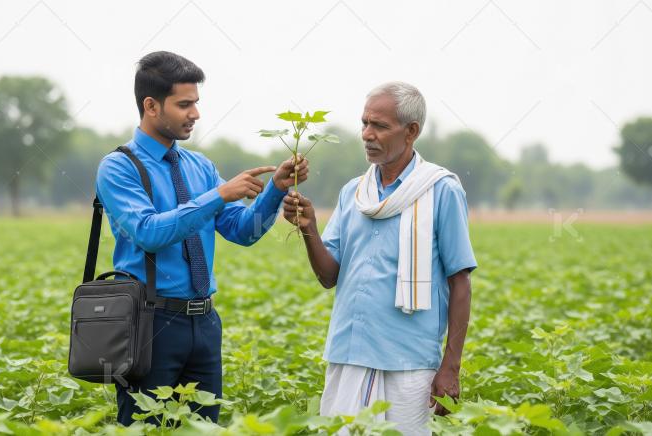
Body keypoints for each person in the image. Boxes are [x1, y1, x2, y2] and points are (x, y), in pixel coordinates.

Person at [95, 51, 308, 425]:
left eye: (196, 103)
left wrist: (274, 189)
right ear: (151, 106)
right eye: (184, 104)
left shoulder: (200, 166)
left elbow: (243, 232)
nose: (195, 113)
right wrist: (220, 195)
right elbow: (149, 232)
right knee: (146, 429)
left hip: (205, 324)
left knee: (205, 429)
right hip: (150, 323)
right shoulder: (118, 167)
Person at [282, 82, 476, 435]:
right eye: (364, 123)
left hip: (408, 360)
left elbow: (460, 282)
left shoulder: (440, 189)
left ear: (411, 131)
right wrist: (309, 229)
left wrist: (451, 365)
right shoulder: (353, 192)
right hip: (348, 351)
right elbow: (329, 276)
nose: (367, 135)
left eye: (380, 126)